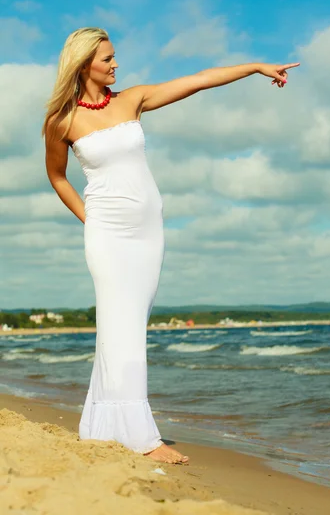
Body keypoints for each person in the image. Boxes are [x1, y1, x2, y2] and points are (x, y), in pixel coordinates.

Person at [42, 27, 299, 465]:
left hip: (148, 234)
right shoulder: (62, 121)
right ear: (85, 63)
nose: (116, 64)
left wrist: (255, 67)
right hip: (106, 234)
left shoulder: (133, 100)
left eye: (115, 56)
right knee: (120, 327)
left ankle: (104, 426)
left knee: (128, 325)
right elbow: (58, 177)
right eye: (108, 58)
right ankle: (142, 438)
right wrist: (92, 220)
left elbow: (198, 80)